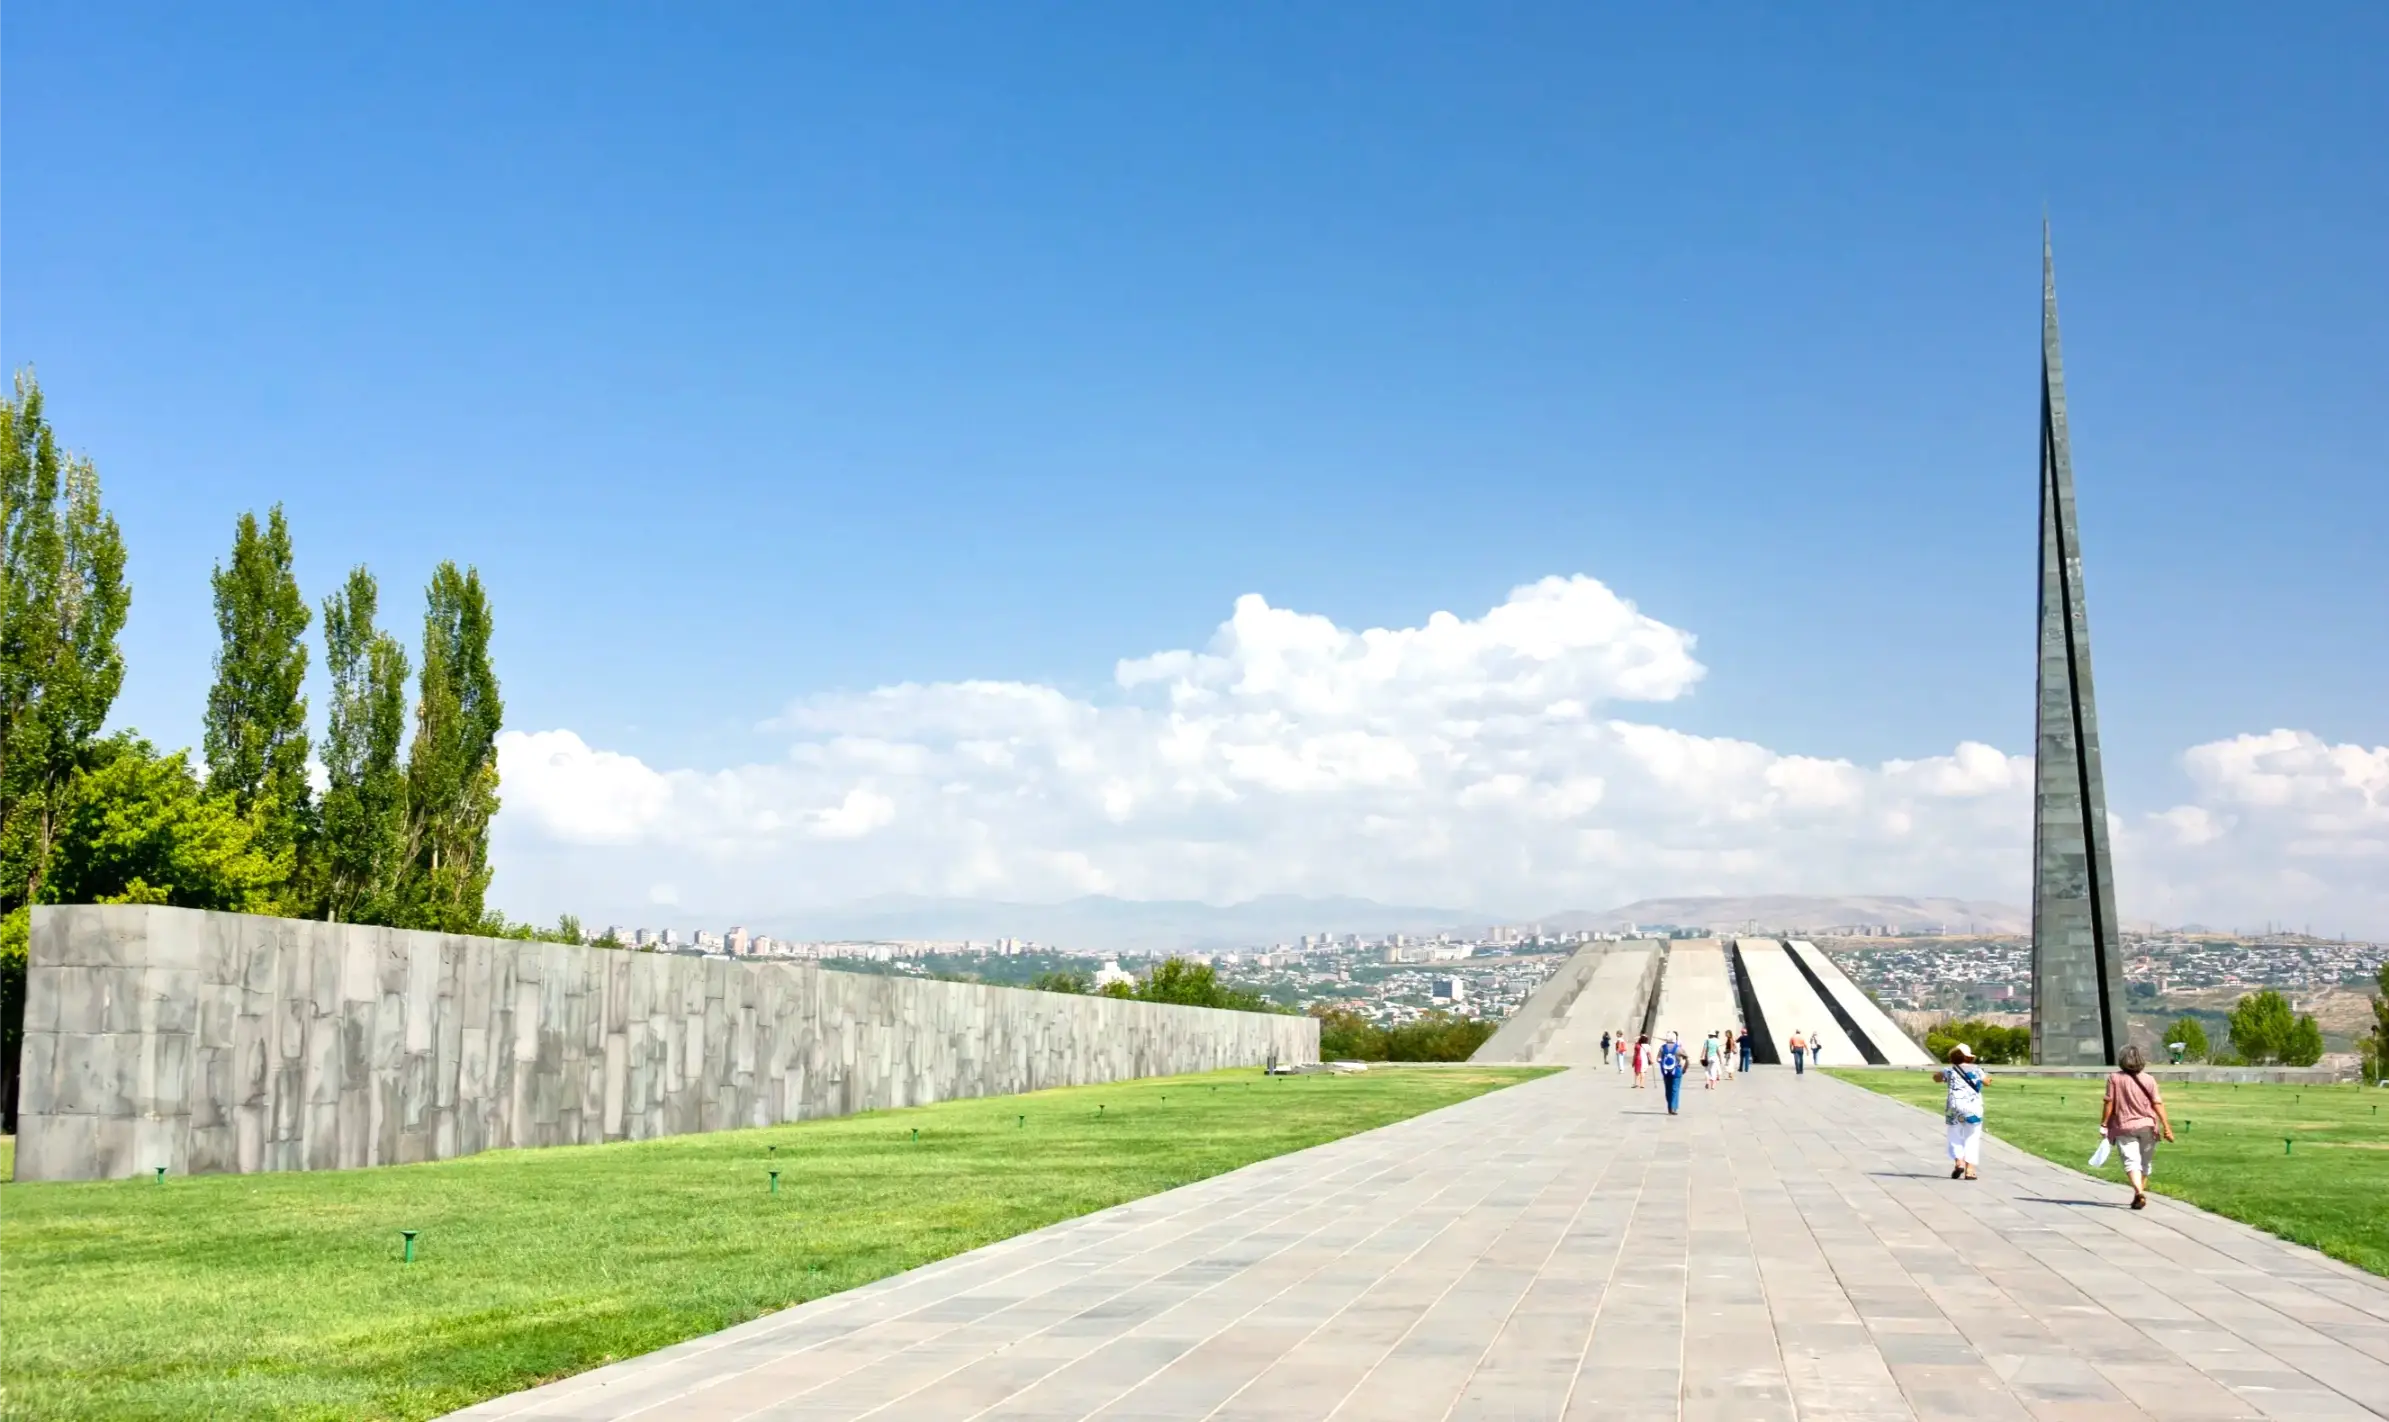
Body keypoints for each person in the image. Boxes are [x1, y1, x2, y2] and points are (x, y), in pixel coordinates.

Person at [2102, 1043, 2175, 1210]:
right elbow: (2157, 1103)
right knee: (2144, 1163)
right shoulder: (2149, 1079)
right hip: (2148, 1126)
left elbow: (2109, 1103)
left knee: (2131, 1161)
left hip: (2124, 1126)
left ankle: (2139, 1192)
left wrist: (2104, 1123)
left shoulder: (2115, 1078)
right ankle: (2139, 1193)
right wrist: (2166, 1126)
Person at [1933, 1042, 1986, 1180]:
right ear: (1968, 1057)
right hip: (1973, 1109)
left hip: (1954, 1108)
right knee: (1972, 1137)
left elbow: (1936, 1078)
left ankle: (1959, 1162)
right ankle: (1970, 1170)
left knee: (1955, 1134)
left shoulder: (1949, 1071)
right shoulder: (1977, 1070)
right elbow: (1986, 1082)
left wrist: (1939, 1075)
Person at [1658, 1032, 1687, 1115]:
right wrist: (1684, 1068)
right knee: (1675, 1089)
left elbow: (1658, 1059)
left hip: (1666, 1072)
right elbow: (1686, 1057)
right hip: (1676, 1071)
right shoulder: (1678, 1049)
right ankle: (1673, 1107)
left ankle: (1669, 1106)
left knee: (1668, 1089)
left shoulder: (1662, 1048)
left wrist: (1662, 1063)